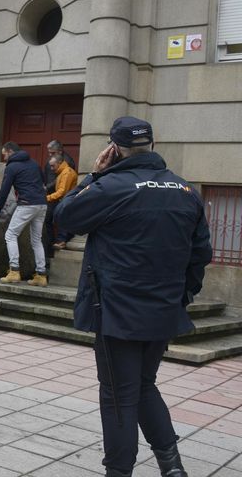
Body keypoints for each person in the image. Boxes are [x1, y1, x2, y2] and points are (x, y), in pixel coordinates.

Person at [54, 116, 211, 477]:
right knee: (142, 386)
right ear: (152, 146)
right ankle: (172, 467)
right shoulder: (185, 191)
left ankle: (119, 471)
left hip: (116, 312)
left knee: (118, 396)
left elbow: (66, 216)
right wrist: (180, 297)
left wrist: (94, 176)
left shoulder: (111, 186)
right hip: (162, 312)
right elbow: (200, 255)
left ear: (113, 149)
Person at [0, 142, 48, 286]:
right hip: (42, 204)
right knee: (36, 240)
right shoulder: (33, 163)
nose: (4, 158)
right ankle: (41, 275)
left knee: (10, 235)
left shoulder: (12, 166)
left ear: (9, 151)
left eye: (4, 154)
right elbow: (44, 181)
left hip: (27, 204)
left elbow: (4, 190)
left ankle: (14, 271)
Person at [44, 153, 78, 253]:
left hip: (67, 202)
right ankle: (61, 240)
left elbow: (62, 192)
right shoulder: (63, 172)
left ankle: (62, 241)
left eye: (52, 165)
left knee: (61, 219)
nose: (51, 168)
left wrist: (47, 198)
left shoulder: (67, 173)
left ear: (59, 163)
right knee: (57, 219)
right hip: (65, 201)